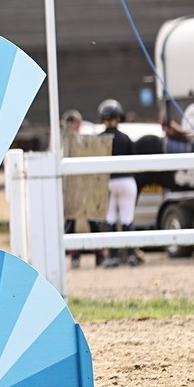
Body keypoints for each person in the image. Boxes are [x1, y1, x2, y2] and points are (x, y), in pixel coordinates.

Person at [94, 99, 139, 267]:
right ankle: (131, 255)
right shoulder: (125, 138)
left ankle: (113, 257)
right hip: (126, 181)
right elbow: (135, 160)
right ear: (118, 117)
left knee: (110, 219)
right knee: (127, 218)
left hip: (108, 183)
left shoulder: (99, 139)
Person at [60, 109, 84, 268]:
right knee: (71, 222)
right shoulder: (63, 142)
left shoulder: (81, 141)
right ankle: (74, 254)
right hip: (70, 186)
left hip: (83, 185)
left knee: (91, 221)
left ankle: (99, 253)